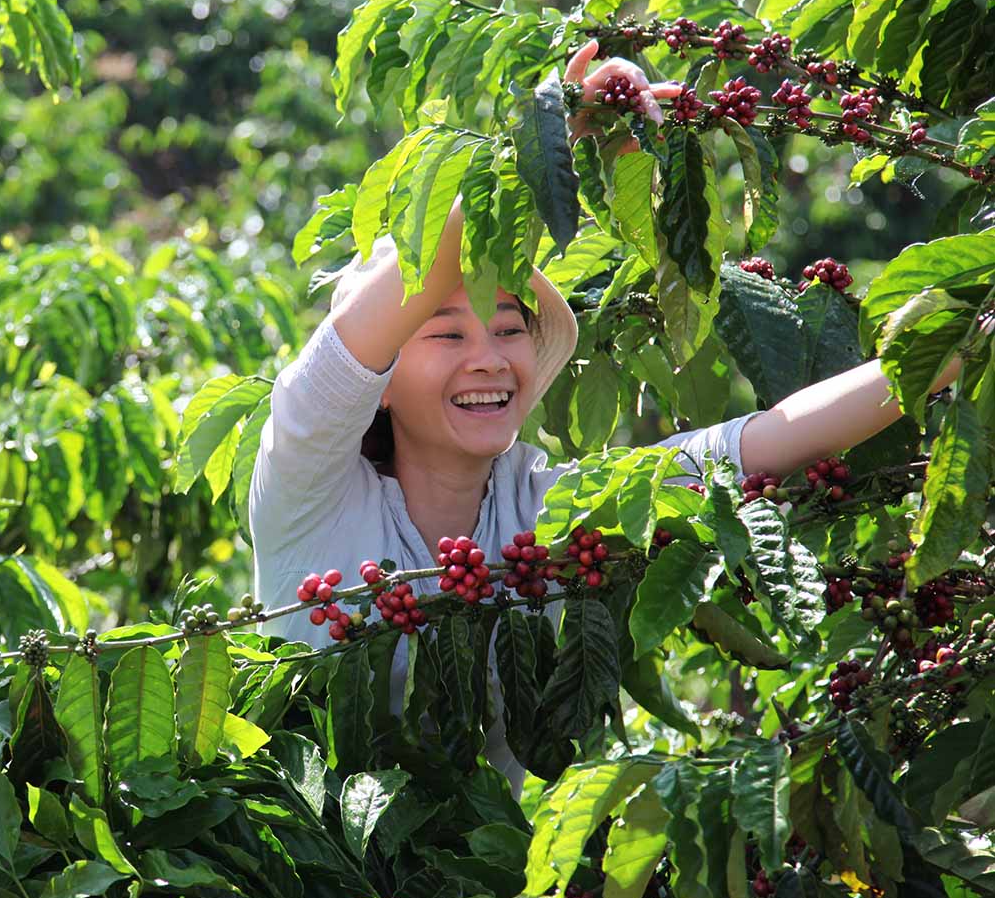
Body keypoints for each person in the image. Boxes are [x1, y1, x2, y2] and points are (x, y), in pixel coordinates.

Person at [249, 39, 959, 793]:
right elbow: (361, 339)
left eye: (510, 327)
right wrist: (546, 138)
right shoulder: (308, 483)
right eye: (446, 332)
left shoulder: (544, 513)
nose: (488, 358)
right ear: (384, 377)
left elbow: (760, 444)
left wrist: (950, 342)